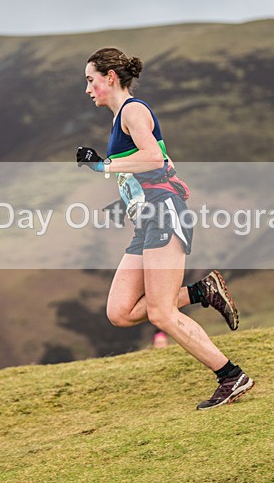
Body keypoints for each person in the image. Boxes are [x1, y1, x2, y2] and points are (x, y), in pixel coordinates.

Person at [76, 47, 254, 409]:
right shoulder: (121, 118)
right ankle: (202, 291)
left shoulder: (133, 110)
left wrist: (103, 166)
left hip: (163, 215)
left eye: (91, 80)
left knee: (161, 312)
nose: (88, 89)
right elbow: (162, 163)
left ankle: (231, 376)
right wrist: (127, 201)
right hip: (148, 218)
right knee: (120, 312)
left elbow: (153, 157)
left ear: (110, 77)